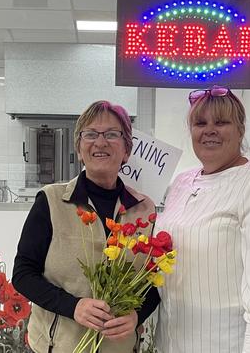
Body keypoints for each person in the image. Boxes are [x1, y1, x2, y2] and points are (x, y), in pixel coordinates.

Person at [155, 86, 250, 353]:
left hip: (228, 344)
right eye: (200, 123)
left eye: (221, 122)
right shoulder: (182, 183)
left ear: (240, 130)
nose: (209, 130)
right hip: (172, 342)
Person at [12, 100, 161, 353]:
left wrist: (137, 316)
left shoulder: (144, 209)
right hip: (58, 347)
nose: (100, 142)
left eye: (112, 134)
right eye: (90, 134)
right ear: (79, 148)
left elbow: (154, 284)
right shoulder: (51, 201)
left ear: (126, 149)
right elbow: (23, 274)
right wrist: (73, 306)